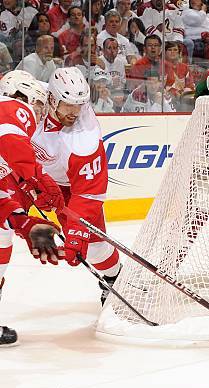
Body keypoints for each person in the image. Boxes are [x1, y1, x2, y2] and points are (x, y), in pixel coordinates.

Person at [32, 67, 123, 304]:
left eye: (80, 105)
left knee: (93, 249)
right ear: (51, 97)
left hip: (70, 186)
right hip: (36, 174)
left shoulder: (84, 138)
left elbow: (89, 193)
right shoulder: (31, 98)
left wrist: (77, 232)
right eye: (68, 105)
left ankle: (114, 277)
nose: (74, 112)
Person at [0, 70, 66, 347]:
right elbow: (11, 138)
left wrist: (25, 223)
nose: (38, 113)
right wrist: (37, 178)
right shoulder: (12, 106)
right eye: (38, 103)